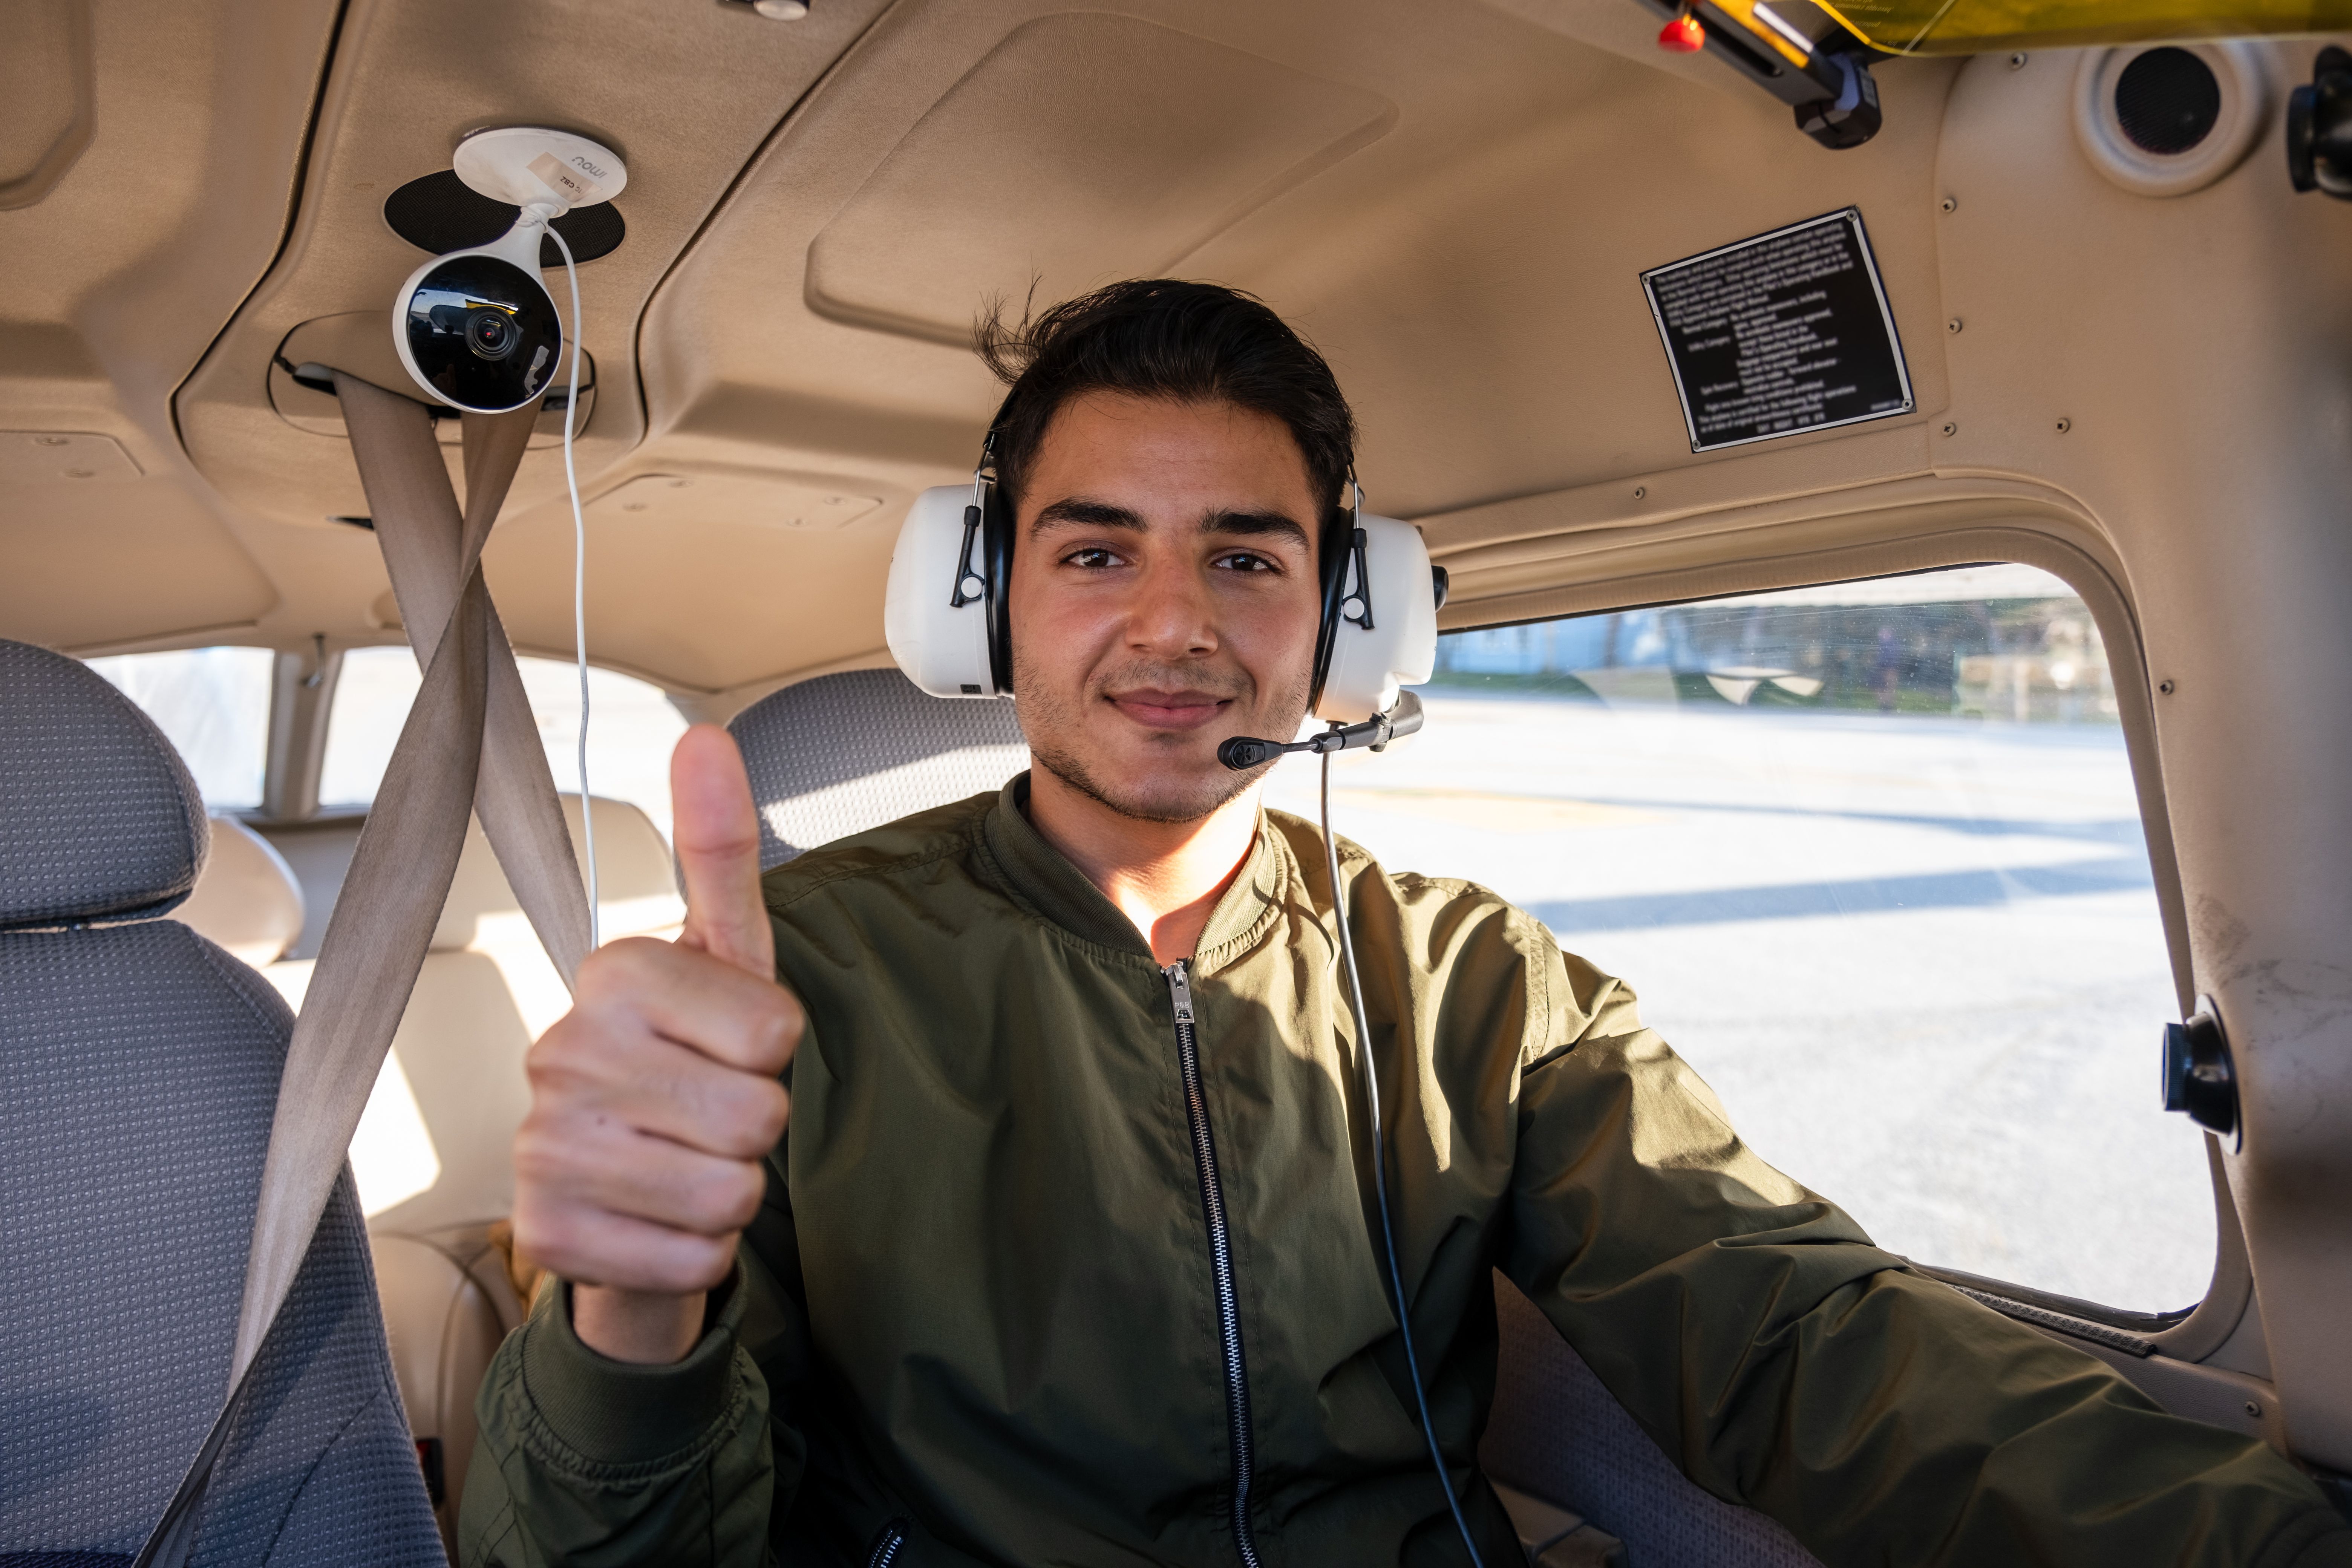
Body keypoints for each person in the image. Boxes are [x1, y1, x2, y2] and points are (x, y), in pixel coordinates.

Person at [461, 281, 2352, 1567]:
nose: (1176, 624)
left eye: (1248, 556)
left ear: (1345, 623)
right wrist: (631, 1320)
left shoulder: (1464, 981)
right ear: (989, 600)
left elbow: (1796, 1331)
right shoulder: (788, 992)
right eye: (1097, 547)